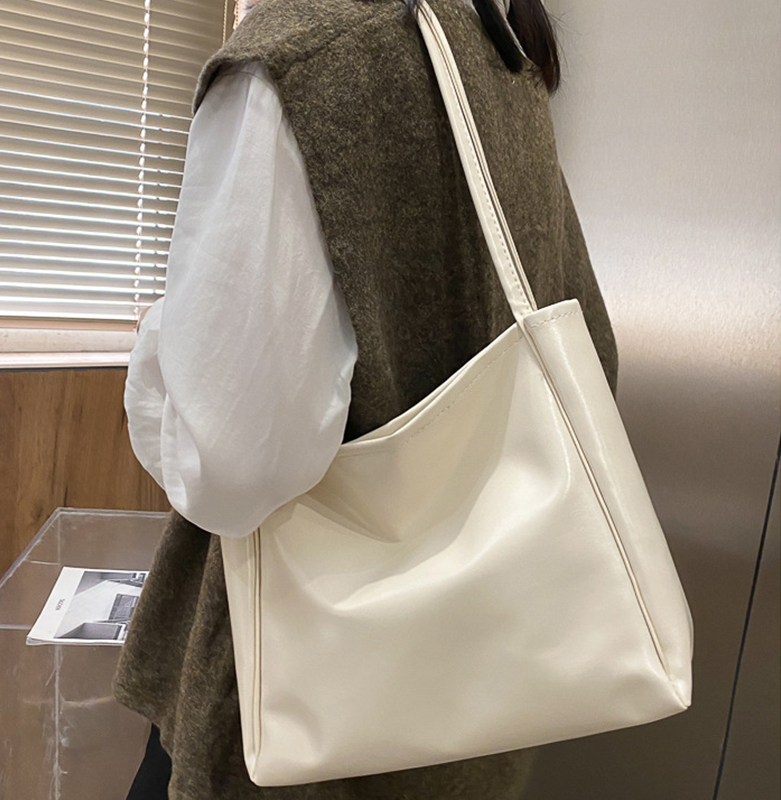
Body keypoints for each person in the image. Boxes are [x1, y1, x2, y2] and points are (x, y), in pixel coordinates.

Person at [116, 0, 619, 797]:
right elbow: (596, 358)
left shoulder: (308, 59)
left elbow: (231, 465)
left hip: (297, 723)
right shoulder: (504, 56)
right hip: (473, 713)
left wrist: (160, 337)